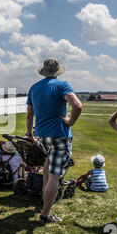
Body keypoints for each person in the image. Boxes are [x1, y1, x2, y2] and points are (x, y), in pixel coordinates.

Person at [26, 58, 83, 224]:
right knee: (54, 176)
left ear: (43, 71)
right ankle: (45, 214)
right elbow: (78, 106)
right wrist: (70, 121)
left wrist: (30, 134)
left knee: (47, 166)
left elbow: (30, 115)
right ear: (57, 72)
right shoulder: (62, 85)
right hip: (60, 135)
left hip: (42, 135)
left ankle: (46, 200)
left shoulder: (34, 87)